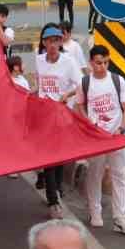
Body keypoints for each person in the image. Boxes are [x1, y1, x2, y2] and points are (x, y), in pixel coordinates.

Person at [75, 46, 125, 234]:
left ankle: (120, 218)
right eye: (98, 63)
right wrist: (89, 124)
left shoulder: (118, 81)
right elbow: (79, 106)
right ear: (91, 63)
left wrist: (120, 128)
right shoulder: (85, 83)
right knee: (95, 175)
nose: (102, 66)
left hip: (117, 137)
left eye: (105, 62)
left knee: (119, 176)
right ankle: (95, 212)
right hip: (96, 139)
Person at [34, 27, 79, 217]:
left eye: (56, 41)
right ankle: (53, 201)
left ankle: (57, 188)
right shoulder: (38, 61)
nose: (52, 45)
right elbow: (39, 84)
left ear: (61, 42)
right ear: (44, 43)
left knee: (60, 156)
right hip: (45, 115)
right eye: (49, 41)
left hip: (62, 115)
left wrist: (66, 95)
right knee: (49, 158)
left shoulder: (69, 62)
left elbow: (78, 85)